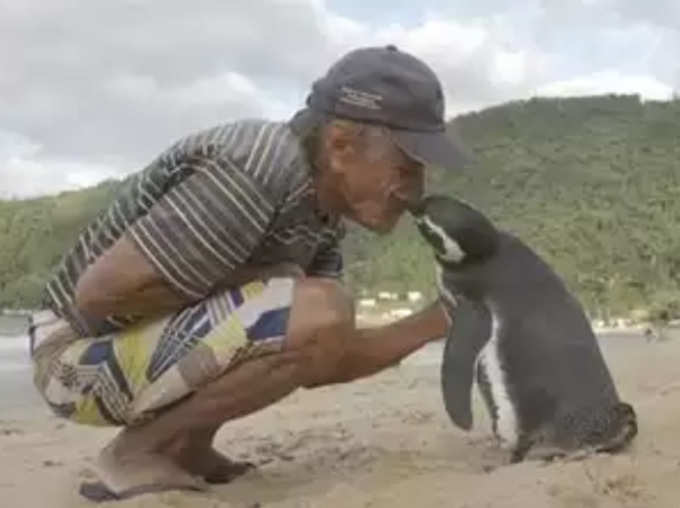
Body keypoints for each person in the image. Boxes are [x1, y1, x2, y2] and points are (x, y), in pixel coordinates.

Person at [29, 44, 467, 501]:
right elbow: (97, 295)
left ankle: (187, 445)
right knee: (314, 304)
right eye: (406, 167)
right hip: (70, 357)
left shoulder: (320, 218)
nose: (416, 191)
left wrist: (436, 321)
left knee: (314, 310)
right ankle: (135, 452)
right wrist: (266, 278)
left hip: (125, 352)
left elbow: (319, 355)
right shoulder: (255, 164)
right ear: (339, 145)